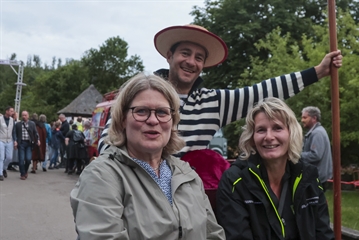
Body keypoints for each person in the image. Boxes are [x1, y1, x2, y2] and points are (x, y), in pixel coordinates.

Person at [98, 24, 342, 156]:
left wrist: (318, 72)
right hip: (136, 190)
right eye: (185, 53)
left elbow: (263, 91)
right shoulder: (141, 93)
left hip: (187, 197)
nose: (191, 62)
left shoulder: (213, 102)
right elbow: (108, 140)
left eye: (199, 57)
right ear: (169, 56)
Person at [70, 73, 232, 240]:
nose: (153, 120)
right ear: (122, 119)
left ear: (172, 121)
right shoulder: (102, 175)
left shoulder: (187, 175)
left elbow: (215, 239)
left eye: (162, 112)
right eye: (141, 111)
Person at [216, 98, 342, 240]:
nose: (269, 137)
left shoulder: (308, 177)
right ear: (252, 138)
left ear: (291, 133)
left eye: (277, 128)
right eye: (261, 130)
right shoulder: (234, 182)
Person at [301, 106, 333, 191]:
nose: (302, 120)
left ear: (314, 118)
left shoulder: (317, 133)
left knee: (315, 203)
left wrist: (296, 155)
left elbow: (315, 155)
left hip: (316, 178)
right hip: (315, 177)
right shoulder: (316, 132)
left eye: (305, 117)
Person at [15, 111, 40, 180]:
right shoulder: (18, 124)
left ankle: (25, 171)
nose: (24, 117)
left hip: (29, 143)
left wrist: (38, 139)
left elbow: (35, 133)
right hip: (21, 143)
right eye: (23, 115)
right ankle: (22, 174)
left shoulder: (32, 124)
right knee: (21, 159)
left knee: (28, 159)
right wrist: (15, 141)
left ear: (28, 116)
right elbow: (15, 134)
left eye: (25, 115)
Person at [0, 106, 17, 180]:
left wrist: (15, 140)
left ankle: (4, 168)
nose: (12, 112)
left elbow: (14, 131)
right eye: (11, 111)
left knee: (9, 157)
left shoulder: (12, 120)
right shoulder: (0, 119)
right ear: (6, 111)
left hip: (9, 140)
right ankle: (0, 174)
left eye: (12, 111)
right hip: (1, 140)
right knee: (1, 157)